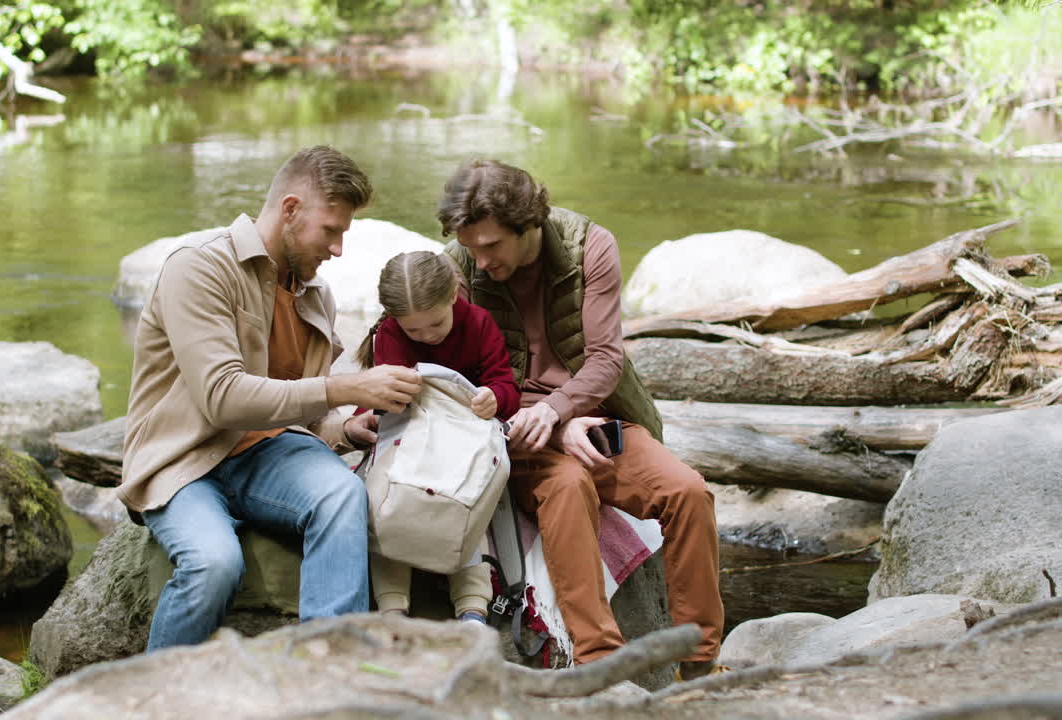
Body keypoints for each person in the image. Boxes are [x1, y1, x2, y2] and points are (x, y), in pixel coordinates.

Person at [119, 146, 422, 651]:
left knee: (342, 495)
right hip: (184, 460)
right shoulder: (199, 269)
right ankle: (154, 698)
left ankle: (324, 677)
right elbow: (223, 398)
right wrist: (347, 387)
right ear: (290, 210)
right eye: (331, 230)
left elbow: (304, 409)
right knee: (215, 563)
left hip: (268, 455)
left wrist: (343, 428)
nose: (338, 248)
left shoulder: (314, 295)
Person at [437, 159, 726, 680]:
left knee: (688, 493)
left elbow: (606, 361)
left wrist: (560, 410)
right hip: (511, 429)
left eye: (491, 247)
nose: (478, 262)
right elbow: (456, 377)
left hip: (595, 421)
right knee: (568, 487)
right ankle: (601, 668)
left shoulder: (589, 245)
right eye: (470, 247)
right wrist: (542, 417)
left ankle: (701, 666)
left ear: (528, 227)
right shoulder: (455, 264)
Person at [355, 250, 520, 623]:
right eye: (415, 330)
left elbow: (506, 386)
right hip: (410, 439)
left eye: (435, 325)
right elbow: (384, 402)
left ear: (453, 296)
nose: (427, 336)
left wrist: (495, 398)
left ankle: (474, 606)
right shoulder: (390, 335)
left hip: (465, 443)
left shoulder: (478, 323)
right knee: (385, 509)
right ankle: (392, 604)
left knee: (467, 511)